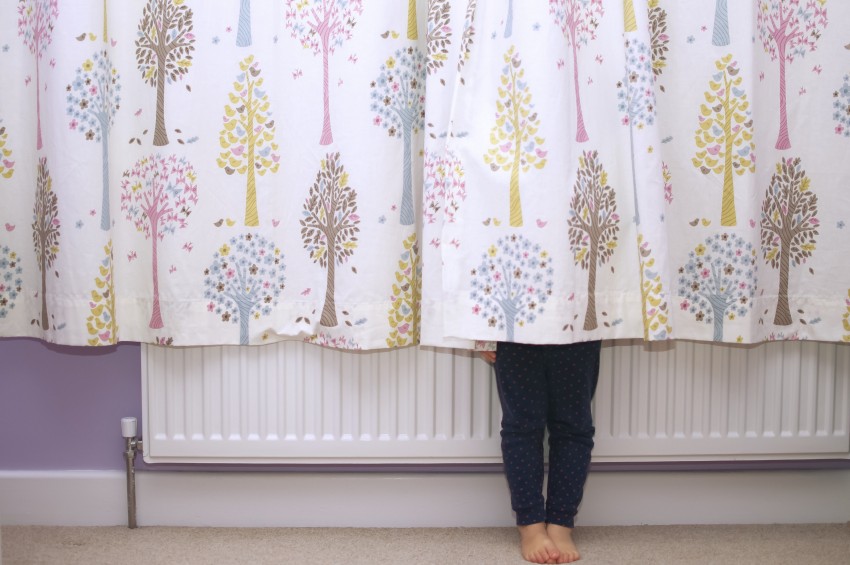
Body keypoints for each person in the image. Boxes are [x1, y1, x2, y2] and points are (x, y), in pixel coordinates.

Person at [480, 340, 601, 564]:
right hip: (515, 329)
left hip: (577, 328)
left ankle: (561, 523)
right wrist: (483, 334)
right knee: (522, 427)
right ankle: (531, 525)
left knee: (573, 427)